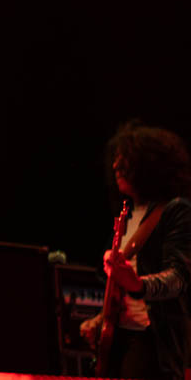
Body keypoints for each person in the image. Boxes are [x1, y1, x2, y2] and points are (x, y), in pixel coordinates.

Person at [80, 120, 191, 379]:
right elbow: (118, 287)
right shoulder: (126, 215)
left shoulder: (176, 211)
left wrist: (138, 285)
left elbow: (179, 277)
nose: (115, 166)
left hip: (152, 340)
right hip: (119, 337)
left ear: (148, 165)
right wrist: (101, 318)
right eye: (116, 159)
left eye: (125, 160)